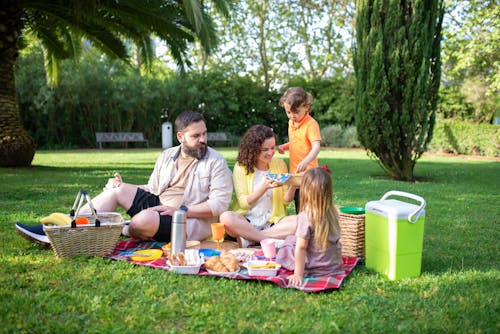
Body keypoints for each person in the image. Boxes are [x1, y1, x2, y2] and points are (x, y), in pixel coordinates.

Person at [15, 111, 233, 245]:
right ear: (180, 137)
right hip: (158, 205)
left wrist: (181, 210)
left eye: (204, 134)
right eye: (196, 136)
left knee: (142, 221)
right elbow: (152, 187)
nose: (203, 140)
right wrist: (123, 186)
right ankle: (61, 228)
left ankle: (122, 227)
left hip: (186, 218)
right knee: (116, 191)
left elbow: (219, 204)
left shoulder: (216, 161)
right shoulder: (167, 156)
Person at [219, 125, 298, 247]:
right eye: (265, 149)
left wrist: (293, 185)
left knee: (301, 220)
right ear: (253, 149)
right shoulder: (241, 167)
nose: (271, 152)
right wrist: (264, 187)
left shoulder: (279, 164)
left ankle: (250, 239)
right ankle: (269, 240)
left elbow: (285, 201)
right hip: (246, 221)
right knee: (226, 217)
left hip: (273, 223)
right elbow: (244, 203)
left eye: (272, 148)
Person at [276, 167, 343, 287]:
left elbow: (301, 248)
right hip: (332, 266)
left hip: (314, 268)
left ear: (305, 191)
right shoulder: (334, 212)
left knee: (288, 244)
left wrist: (298, 274)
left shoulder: (305, 217)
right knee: (294, 240)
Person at [277, 87, 321, 213]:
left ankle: (314, 232)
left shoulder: (311, 124)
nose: (291, 116)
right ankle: (302, 232)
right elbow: (298, 142)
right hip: (296, 175)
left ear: (306, 107)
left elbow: (316, 147)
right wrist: (285, 146)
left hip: (309, 177)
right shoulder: (291, 123)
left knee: (310, 210)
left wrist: (306, 161)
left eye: (295, 112)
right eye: (288, 112)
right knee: (299, 208)